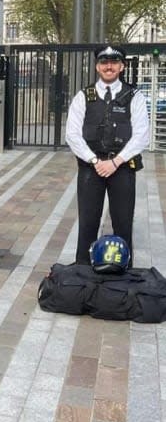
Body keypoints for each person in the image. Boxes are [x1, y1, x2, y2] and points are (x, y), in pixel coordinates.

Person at [65, 44, 149, 267]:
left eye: (113, 62)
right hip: (91, 168)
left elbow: (141, 136)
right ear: (97, 66)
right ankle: (83, 273)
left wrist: (115, 162)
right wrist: (95, 161)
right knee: (88, 223)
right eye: (104, 62)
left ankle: (124, 275)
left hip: (121, 168)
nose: (108, 66)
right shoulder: (83, 96)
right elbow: (72, 135)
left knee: (123, 223)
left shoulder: (134, 96)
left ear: (121, 66)